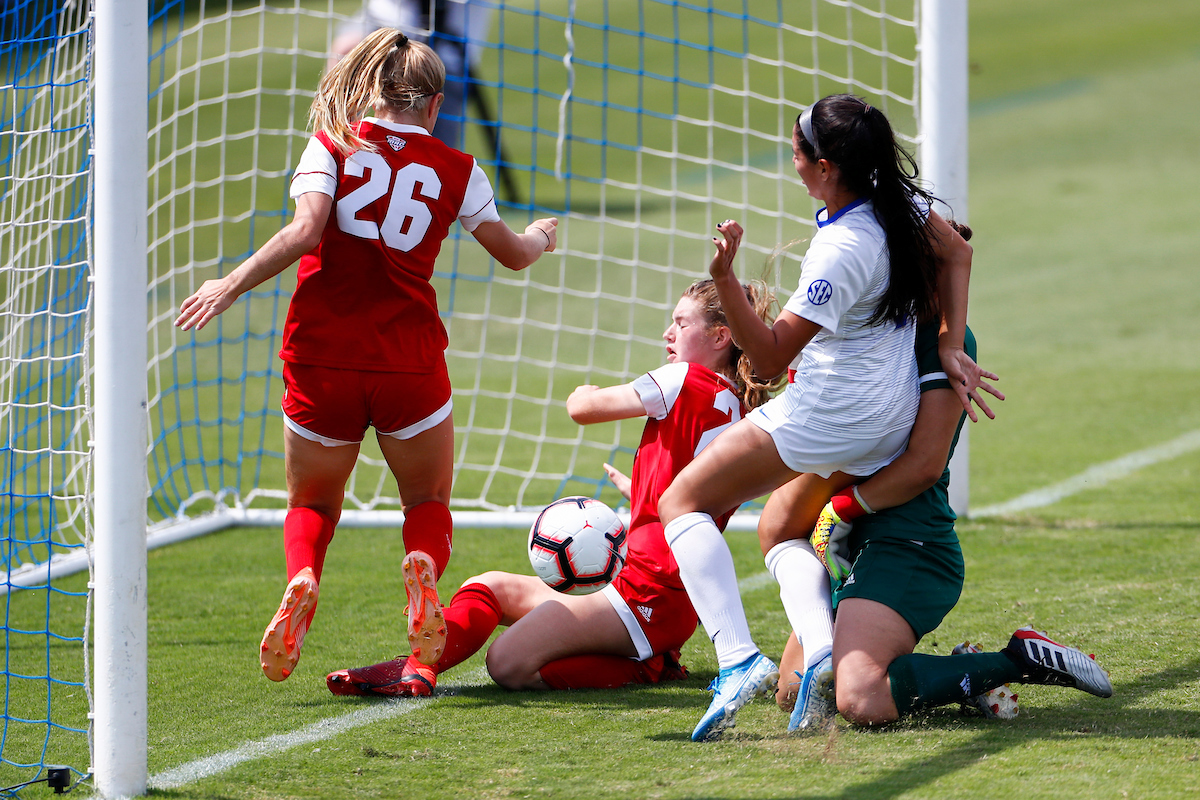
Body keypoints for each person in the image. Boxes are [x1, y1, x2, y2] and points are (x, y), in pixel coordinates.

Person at [174, 28, 558, 682]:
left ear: (376, 92)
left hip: (320, 355)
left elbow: (304, 231)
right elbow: (513, 255)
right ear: (437, 105)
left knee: (316, 504)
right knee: (427, 499)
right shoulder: (458, 169)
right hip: (407, 361)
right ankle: (426, 573)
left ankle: (302, 575)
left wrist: (228, 283)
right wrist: (540, 237)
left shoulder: (333, 143)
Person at [656, 93, 989, 742]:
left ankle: (734, 661)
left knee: (682, 501)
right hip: (885, 413)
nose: (793, 155)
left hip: (835, 415)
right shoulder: (904, 207)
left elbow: (774, 356)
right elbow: (960, 255)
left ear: (827, 166)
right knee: (778, 526)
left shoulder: (841, 248)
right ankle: (821, 645)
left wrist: (725, 281)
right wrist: (950, 340)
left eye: (798, 148)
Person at [325, 278, 780, 697]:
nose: (668, 332)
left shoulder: (682, 378)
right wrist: (639, 493)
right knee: (490, 587)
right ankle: (414, 670)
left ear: (721, 337)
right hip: (666, 594)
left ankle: (650, 667)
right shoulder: (742, 412)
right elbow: (702, 496)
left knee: (508, 664)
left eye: (682, 323)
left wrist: (583, 391)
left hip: (647, 593)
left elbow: (584, 409)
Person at [773, 226, 1112, 732]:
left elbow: (925, 463)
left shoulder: (944, 338)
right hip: (848, 536)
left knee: (860, 697)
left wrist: (842, 508)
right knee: (795, 691)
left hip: (906, 541)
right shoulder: (868, 324)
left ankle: (1020, 657)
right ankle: (961, 673)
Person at [332, 0, 492, 152]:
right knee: (346, 48)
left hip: (447, 52)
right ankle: (337, 147)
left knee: (430, 154)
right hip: (386, 21)